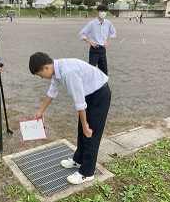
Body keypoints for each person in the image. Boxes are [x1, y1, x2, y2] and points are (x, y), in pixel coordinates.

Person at [29, 52, 111, 185]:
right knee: (81, 130)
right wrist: (40, 111)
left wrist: (85, 124)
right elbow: (52, 91)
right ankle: (78, 159)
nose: (41, 77)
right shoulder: (57, 70)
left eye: (39, 74)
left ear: (46, 68)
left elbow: (79, 101)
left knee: (90, 133)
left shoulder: (68, 72)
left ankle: (87, 172)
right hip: (89, 94)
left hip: (99, 95)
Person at [78, 4, 116, 75]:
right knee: (91, 70)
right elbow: (81, 34)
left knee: (104, 71)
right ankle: (90, 85)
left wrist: (107, 42)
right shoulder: (91, 23)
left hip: (103, 49)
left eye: (105, 11)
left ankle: (103, 85)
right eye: (101, 11)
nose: (103, 13)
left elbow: (113, 32)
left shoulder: (108, 23)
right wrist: (91, 43)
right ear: (97, 12)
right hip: (94, 49)